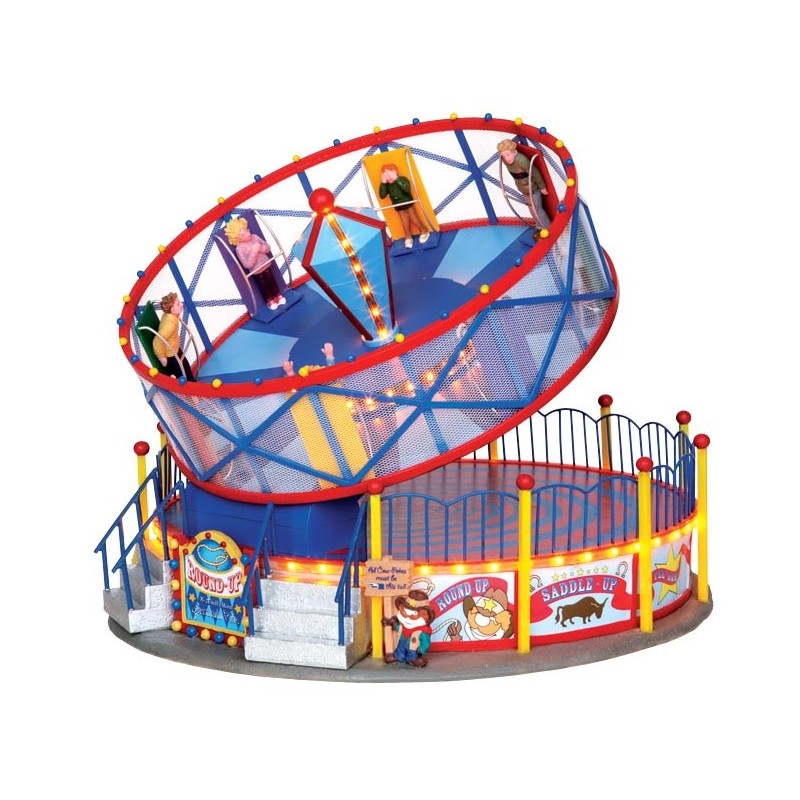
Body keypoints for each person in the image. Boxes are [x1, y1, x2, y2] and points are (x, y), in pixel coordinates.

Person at [224, 216, 285, 311]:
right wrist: (254, 252)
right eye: (243, 234)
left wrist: (261, 248)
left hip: (266, 264)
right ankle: (270, 300)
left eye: (246, 231)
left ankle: (278, 295)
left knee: (272, 281)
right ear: (237, 238)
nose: (248, 234)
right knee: (264, 286)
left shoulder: (255, 237)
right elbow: (247, 265)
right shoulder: (239, 249)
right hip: (256, 271)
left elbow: (267, 248)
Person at [497, 139, 550, 234]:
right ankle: (539, 227)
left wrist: (542, 187)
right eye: (504, 156)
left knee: (537, 209)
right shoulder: (505, 161)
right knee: (531, 209)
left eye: (508, 155)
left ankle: (549, 228)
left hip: (532, 188)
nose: (506, 158)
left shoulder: (522, 161)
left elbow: (535, 173)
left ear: (514, 152)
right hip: (523, 188)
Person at [378, 163, 431, 249]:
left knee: (413, 217)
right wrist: (383, 182)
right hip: (398, 206)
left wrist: (396, 179)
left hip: (408, 203)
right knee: (404, 220)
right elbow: (382, 195)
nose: (389, 177)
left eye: (390, 174)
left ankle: (423, 230)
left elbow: (406, 189)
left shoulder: (402, 179)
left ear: (395, 172)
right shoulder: (387, 185)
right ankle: (408, 235)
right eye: (386, 175)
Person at [381, 588, 436, 667]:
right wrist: (392, 623)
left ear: (424, 614)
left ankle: (413, 659)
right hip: (401, 645)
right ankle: (398, 657)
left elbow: (426, 643)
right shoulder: (404, 626)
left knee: (412, 655)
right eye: (405, 612)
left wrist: (421, 650)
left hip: (413, 650)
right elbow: (398, 628)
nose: (408, 617)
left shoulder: (423, 632)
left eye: (413, 614)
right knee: (400, 650)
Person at [153, 292, 196, 381]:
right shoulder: (170, 325)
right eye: (178, 304)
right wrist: (161, 357)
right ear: (172, 310)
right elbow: (157, 341)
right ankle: (187, 387)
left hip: (174, 348)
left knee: (186, 367)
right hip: (171, 355)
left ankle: (193, 383)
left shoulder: (171, 315)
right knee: (181, 374)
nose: (181, 304)